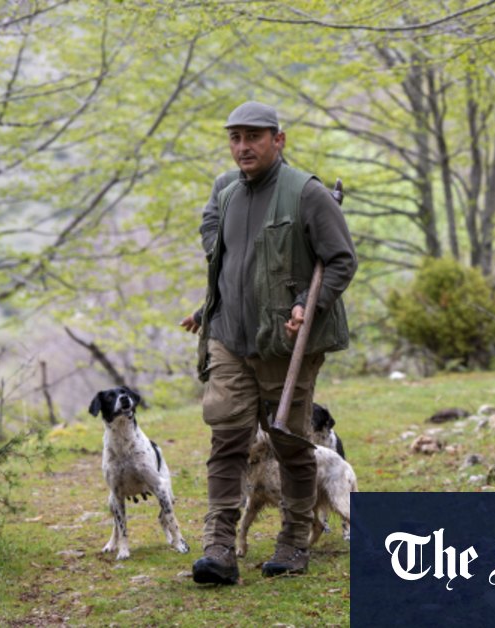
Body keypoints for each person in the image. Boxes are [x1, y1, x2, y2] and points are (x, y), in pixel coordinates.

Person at [179, 101, 357, 585]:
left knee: (289, 441)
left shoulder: (307, 193)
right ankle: (218, 546)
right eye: (235, 137)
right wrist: (207, 309)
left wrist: (306, 302)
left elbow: (341, 260)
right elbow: (223, 254)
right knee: (227, 438)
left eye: (253, 137)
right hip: (230, 338)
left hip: (285, 344)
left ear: (278, 140)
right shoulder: (224, 191)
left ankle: (294, 540)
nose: (243, 147)